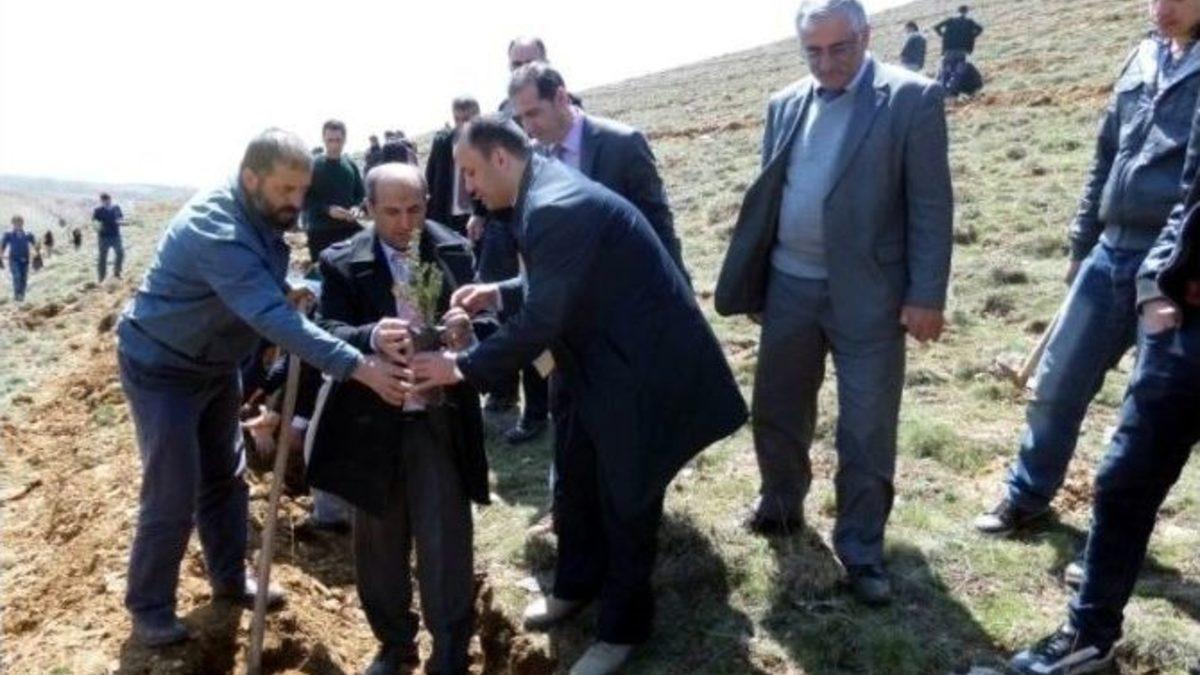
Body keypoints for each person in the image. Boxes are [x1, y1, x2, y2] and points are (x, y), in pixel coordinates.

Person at [410, 117, 748, 675]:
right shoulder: (541, 191)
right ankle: (575, 585)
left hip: (639, 371)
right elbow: (559, 280)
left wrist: (461, 368)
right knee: (576, 480)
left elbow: (543, 319)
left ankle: (621, 630)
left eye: (469, 172)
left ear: (500, 159)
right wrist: (498, 293)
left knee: (626, 500)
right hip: (595, 363)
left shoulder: (553, 205)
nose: (466, 188)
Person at [114, 128, 411, 648]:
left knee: (226, 477)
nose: (296, 202)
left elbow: (265, 278)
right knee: (173, 487)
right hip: (162, 367)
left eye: (303, 190)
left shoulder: (258, 212)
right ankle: (150, 608)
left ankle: (230, 579)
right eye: (285, 190)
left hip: (214, 363)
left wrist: (288, 284)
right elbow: (271, 318)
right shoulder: (216, 228)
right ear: (251, 178)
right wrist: (357, 366)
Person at [714, 0, 953, 606]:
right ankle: (780, 504)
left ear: (866, 36)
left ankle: (862, 549)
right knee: (777, 407)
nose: (825, 63)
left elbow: (931, 204)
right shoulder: (784, 103)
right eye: (813, 51)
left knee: (867, 426)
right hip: (789, 286)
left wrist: (926, 295)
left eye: (839, 48)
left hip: (872, 295)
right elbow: (772, 194)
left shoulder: (911, 99)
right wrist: (759, 280)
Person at [975, 0, 1200, 539]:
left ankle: (1111, 539)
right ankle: (1027, 497)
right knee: (1057, 382)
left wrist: (1167, 270)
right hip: (1109, 249)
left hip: (1172, 264)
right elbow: (1106, 153)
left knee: (1144, 413)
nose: (1162, 8)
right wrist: (1082, 241)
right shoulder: (1142, 55)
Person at [1009, 122, 1200, 671]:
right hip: (1184, 324)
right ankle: (1089, 632)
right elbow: (1189, 198)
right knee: (1124, 478)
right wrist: (1155, 287)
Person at [307, 163, 487, 675]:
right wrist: (368, 338)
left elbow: (493, 323)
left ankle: (449, 652)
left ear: (428, 202)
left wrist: (466, 330)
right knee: (379, 543)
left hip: (438, 419)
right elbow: (323, 330)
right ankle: (394, 645)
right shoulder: (341, 262)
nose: (405, 223)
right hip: (373, 423)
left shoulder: (454, 250)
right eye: (391, 212)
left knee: (445, 538)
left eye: (415, 209)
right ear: (368, 209)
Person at [509, 62, 688, 278]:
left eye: (533, 113)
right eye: (521, 118)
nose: (527, 128)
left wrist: (678, 286)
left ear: (561, 98)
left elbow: (659, 226)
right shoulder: (533, 161)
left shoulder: (623, 144)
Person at [303, 119, 366, 263]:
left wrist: (356, 208)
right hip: (320, 232)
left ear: (345, 139)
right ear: (323, 139)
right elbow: (303, 199)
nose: (334, 145)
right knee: (324, 273)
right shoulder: (313, 166)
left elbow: (360, 194)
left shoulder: (350, 165)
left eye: (338, 140)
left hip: (348, 228)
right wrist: (327, 210)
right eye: (330, 140)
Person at [426, 96, 482, 240]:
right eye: (457, 119)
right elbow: (430, 177)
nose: (462, 124)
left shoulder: (485, 143)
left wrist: (481, 213)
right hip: (447, 216)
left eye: (467, 119)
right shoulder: (442, 143)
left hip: (476, 215)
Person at [934, 5, 983, 84]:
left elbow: (936, 27)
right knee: (957, 73)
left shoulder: (950, 20)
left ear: (957, 11)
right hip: (962, 50)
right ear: (966, 12)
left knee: (945, 70)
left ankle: (941, 86)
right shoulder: (969, 22)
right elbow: (980, 29)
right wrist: (971, 36)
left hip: (949, 49)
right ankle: (953, 87)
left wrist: (943, 36)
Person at [1, 215, 38, 302]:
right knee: (17, 276)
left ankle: (21, 296)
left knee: (23, 278)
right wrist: (1, 254)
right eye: (16, 223)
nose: (18, 224)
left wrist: (37, 251)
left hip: (25, 260)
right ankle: (17, 295)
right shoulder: (9, 235)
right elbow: (2, 245)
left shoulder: (28, 234)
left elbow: (35, 245)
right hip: (13, 260)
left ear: (22, 223)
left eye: (20, 222)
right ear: (13, 224)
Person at [93, 192, 125, 281]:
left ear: (110, 200)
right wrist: (99, 228)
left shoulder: (116, 208)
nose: (106, 202)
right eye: (104, 201)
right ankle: (101, 278)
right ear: (101, 201)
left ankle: (117, 273)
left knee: (120, 253)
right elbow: (95, 224)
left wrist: (120, 221)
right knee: (102, 258)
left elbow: (121, 218)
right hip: (103, 238)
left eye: (108, 200)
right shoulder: (98, 210)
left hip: (116, 236)